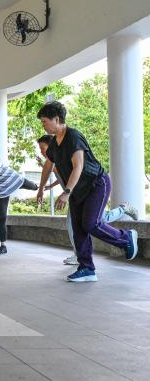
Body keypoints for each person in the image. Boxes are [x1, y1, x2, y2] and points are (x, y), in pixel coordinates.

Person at [36, 101, 138, 282]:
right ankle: (87, 269)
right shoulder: (54, 144)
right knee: (78, 229)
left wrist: (66, 192)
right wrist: (41, 188)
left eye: (44, 121)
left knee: (91, 224)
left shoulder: (73, 136)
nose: (43, 125)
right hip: (77, 189)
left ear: (56, 119)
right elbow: (48, 165)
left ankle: (126, 237)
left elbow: (79, 166)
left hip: (96, 184)